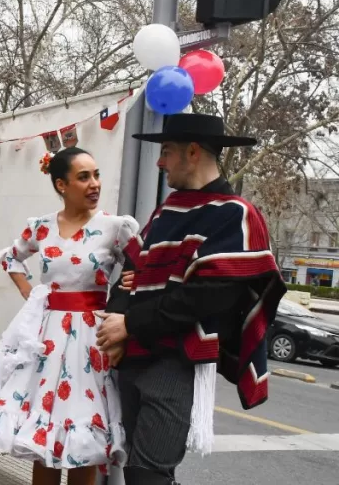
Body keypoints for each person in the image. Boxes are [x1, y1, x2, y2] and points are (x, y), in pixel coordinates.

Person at [96, 114, 286, 485]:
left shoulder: (236, 215)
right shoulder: (166, 212)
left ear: (193, 152)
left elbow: (208, 298)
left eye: (166, 151)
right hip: (132, 356)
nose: (159, 162)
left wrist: (130, 324)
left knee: (148, 475)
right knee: (135, 467)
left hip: (175, 361)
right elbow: (131, 272)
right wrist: (114, 328)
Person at [0, 147, 138, 485]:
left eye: (96, 175)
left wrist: (132, 287)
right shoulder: (41, 227)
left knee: (82, 440)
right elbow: (11, 258)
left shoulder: (116, 227)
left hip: (92, 338)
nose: (94, 184)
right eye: (83, 177)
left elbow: (143, 267)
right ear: (62, 184)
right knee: (42, 439)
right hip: (46, 340)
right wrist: (30, 292)